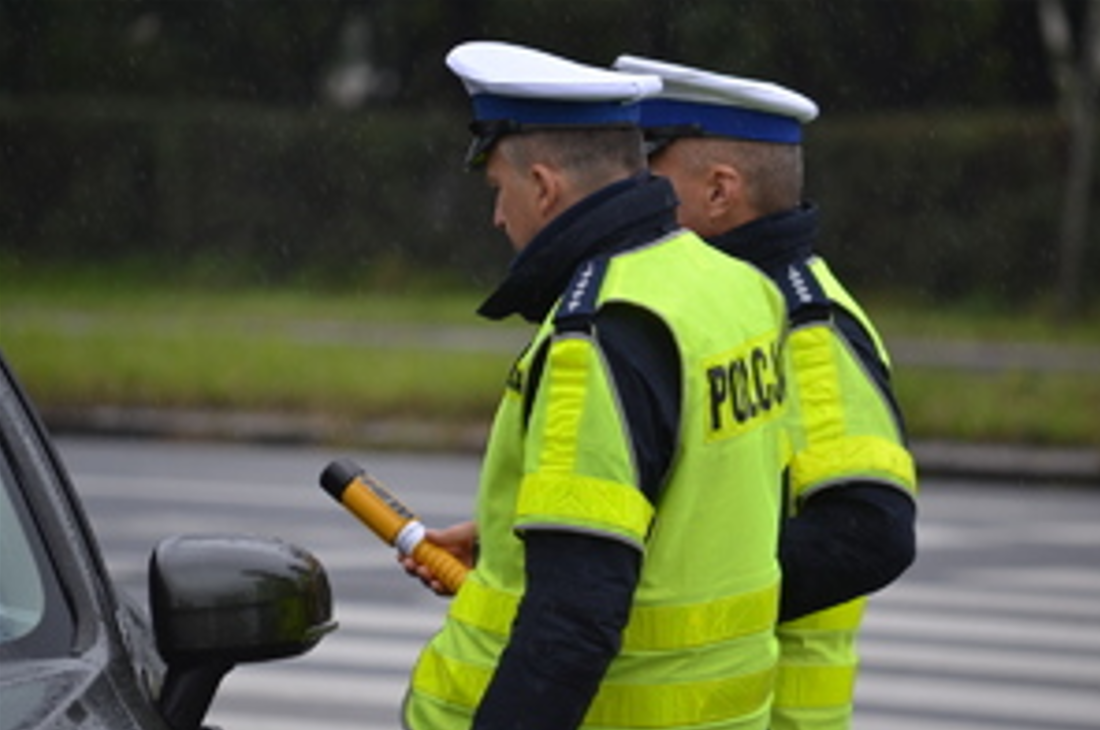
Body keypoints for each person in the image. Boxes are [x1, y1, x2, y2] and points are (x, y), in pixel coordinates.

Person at [401, 40, 792, 730]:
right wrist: (518, 542)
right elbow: (699, 503)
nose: (497, 218)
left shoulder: (597, 333)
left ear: (544, 186)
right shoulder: (736, 288)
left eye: (498, 190)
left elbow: (572, 623)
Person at [611, 55, 919, 730]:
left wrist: (651, 584)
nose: (629, 195)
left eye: (648, 175)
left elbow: (870, 532)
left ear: (720, 191)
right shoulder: (721, 303)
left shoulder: (805, 325)